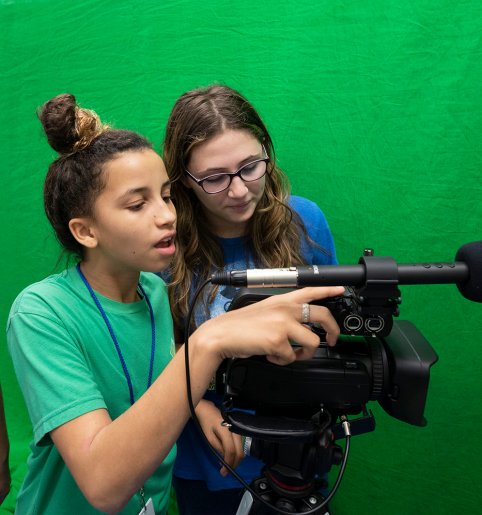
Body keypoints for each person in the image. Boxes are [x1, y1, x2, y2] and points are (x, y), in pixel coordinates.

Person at [6, 94, 342, 515]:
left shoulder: (150, 291)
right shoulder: (41, 312)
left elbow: (166, 370)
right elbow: (104, 486)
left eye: (166, 197)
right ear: (85, 231)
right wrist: (212, 341)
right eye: (138, 204)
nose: (167, 216)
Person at [162, 84, 339, 515]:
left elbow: (330, 331)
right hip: (206, 457)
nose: (239, 191)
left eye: (250, 167)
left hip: (293, 452)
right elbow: (150, 349)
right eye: (215, 178)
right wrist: (198, 404)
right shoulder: (164, 248)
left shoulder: (305, 222)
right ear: (183, 180)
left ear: (267, 151)